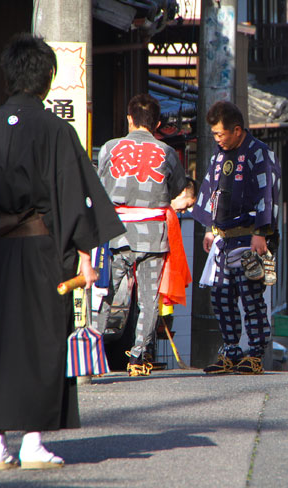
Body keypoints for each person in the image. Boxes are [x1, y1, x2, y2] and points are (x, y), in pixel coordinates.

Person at [0, 33, 125, 470]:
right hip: (43, 251)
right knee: (42, 343)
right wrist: (84, 253)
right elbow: (76, 195)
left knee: (3, 345)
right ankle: (32, 442)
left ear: (10, 77)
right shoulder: (56, 129)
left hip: (1, 252)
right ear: (45, 80)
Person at [95, 94, 187, 377]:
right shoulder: (166, 152)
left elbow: (100, 186)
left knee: (106, 294)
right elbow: (176, 190)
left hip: (116, 234)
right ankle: (138, 357)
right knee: (149, 299)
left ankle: (93, 353)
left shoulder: (110, 148)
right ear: (157, 123)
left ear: (129, 119)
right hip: (153, 236)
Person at [192, 101, 281, 375]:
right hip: (223, 240)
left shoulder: (259, 153)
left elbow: (268, 194)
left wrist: (260, 233)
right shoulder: (217, 157)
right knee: (221, 297)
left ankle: (255, 355)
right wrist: (209, 228)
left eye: (220, 134)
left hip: (249, 238)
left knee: (251, 298)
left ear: (237, 130)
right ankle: (230, 351)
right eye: (215, 134)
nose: (217, 139)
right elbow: (210, 190)